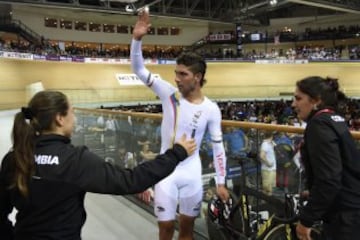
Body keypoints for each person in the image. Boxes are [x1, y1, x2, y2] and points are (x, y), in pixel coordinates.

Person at [0, 90, 197, 240]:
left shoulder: (14, 158)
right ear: (59, 118)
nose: (74, 119)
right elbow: (131, 181)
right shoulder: (76, 160)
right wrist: (176, 153)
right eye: (72, 113)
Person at [131, 10, 229, 240]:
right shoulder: (169, 94)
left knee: (187, 231)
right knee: (165, 229)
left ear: (197, 77)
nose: (176, 78)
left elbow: (218, 148)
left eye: (182, 74)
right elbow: (138, 69)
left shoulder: (211, 109)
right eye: (176, 73)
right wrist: (136, 39)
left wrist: (221, 182)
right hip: (166, 171)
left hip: (192, 174)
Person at [293, 76, 360, 240]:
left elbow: (329, 179)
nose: (293, 104)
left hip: (344, 219)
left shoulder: (319, 125)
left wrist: (306, 220)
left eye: (298, 98)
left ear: (316, 101)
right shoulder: (335, 119)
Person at [259, 131, 277, 195]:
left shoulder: (271, 143)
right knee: (267, 189)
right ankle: (265, 203)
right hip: (267, 170)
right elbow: (261, 155)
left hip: (272, 169)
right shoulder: (265, 144)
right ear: (272, 136)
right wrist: (268, 163)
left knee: (271, 188)